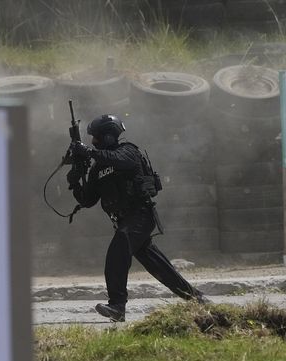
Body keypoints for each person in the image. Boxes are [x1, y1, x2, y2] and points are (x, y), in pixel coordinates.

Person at [68, 115, 210, 322]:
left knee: (118, 250)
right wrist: (75, 180)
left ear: (108, 136)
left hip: (140, 216)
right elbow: (88, 200)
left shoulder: (128, 152)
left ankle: (117, 306)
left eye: (96, 138)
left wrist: (89, 152)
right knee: (160, 267)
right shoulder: (98, 168)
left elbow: (116, 160)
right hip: (124, 221)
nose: (93, 142)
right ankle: (197, 299)